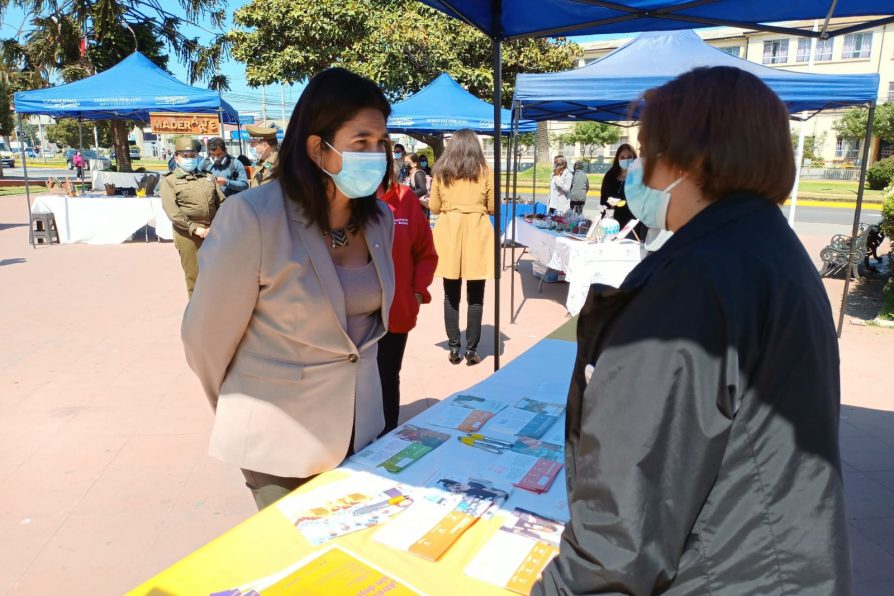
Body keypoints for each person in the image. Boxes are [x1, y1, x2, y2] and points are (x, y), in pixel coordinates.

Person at [533, 66, 852, 595]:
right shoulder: (768, 247)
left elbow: (622, 528)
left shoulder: (694, 284)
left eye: (647, 152)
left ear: (693, 161)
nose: (638, 171)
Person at [181, 67, 396, 510]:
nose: (375, 155)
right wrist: (241, 408)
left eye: (381, 143)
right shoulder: (253, 217)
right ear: (318, 148)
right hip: (279, 440)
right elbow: (204, 338)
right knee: (295, 566)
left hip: (362, 427)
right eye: (361, 143)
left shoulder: (379, 221)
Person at [376, 181, 438, 434]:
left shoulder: (404, 198)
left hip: (395, 310)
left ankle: (386, 437)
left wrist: (417, 292)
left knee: (387, 376)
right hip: (346, 316)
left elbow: (425, 252)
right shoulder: (337, 194)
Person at [429, 128, 494, 366]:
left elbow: (434, 207)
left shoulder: (441, 171)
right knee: (476, 296)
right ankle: (471, 351)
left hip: (449, 232)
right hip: (477, 230)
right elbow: (493, 206)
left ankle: (454, 347)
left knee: (450, 294)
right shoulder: (485, 170)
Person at [160, 137, 225, 297]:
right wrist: (195, 229)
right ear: (176, 158)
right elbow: (173, 212)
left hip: (213, 231)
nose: (190, 159)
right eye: (185, 156)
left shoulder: (208, 177)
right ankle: (197, 317)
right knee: (195, 277)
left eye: (193, 156)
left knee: (216, 274)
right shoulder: (170, 181)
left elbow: (222, 203)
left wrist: (218, 225)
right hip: (188, 235)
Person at [600, 143, 638, 229]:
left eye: (629, 157)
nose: (625, 160)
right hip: (610, 224)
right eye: (622, 157)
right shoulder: (610, 175)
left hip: (631, 225)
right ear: (618, 158)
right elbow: (603, 199)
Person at [247, 123, 279, 187]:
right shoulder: (264, 162)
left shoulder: (276, 166)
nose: (251, 147)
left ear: (264, 146)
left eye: (253, 144)